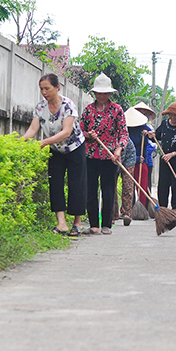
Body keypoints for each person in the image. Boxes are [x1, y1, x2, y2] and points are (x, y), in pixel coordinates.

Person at [22, 73, 87, 236]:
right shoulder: (40, 107)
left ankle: (77, 223)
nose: (44, 92)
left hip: (74, 148)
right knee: (55, 183)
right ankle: (62, 223)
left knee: (76, 183)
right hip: (56, 149)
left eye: (47, 88)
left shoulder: (68, 105)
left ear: (57, 88)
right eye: (41, 89)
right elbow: (32, 129)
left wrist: (44, 142)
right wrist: (19, 141)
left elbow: (66, 132)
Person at [80, 74, 128, 235]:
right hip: (91, 156)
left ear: (109, 93)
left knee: (108, 190)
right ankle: (94, 225)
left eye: (105, 93)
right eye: (99, 93)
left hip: (110, 157)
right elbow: (79, 130)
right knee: (90, 190)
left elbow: (123, 134)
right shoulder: (88, 110)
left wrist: (118, 150)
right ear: (94, 93)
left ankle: (107, 224)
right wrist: (88, 135)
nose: (102, 96)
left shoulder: (117, 110)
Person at [148, 102, 176, 212]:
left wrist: (172, 154)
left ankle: (175, 209)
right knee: (163, 185)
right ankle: (163, 210)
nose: (173, 117)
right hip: (164, 161)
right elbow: (156, 137)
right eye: (171, 115)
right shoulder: (164, 124)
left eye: (175, 115)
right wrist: (150, 135)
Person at [125, 107, 152, 210]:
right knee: (128, 187)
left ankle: (142, 209)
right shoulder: (125, 129)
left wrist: (149, 134)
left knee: (142, 187)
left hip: (142, 162)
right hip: (127, 162)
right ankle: (127, 209)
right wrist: (135, 158)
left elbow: (153, 137)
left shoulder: (144, 127)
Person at [133, 102, 157, 195]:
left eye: (145, 114)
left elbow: (154, 142)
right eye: (140, 113)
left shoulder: (146, 127)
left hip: (144, 162)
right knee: (129, 189)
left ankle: (144, 208)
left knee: (144, 188)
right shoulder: (128, 127)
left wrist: (150, 135)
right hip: (130, 162)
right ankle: (129, 209)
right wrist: (136, 158)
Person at [115, 136, 137, 226]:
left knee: (128, 185)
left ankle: (127, 213)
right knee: (110, 185)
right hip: (112, 157)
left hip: (129, 156)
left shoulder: (123, 136)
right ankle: (112, 214)